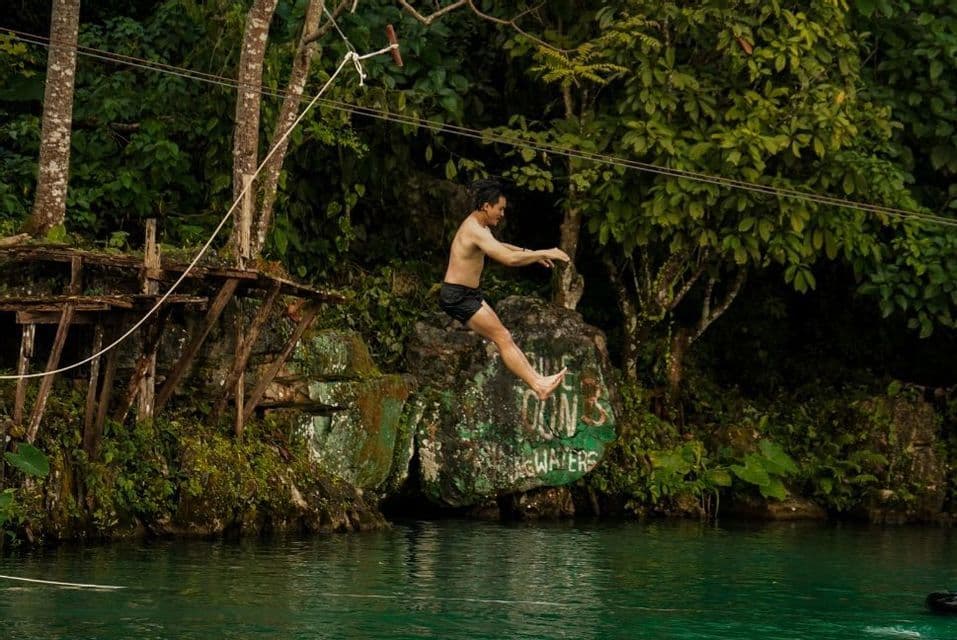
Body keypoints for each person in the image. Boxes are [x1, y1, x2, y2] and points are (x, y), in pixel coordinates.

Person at [439, 179, 571, 401]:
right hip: (457, 296)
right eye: (499, 209)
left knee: (504, 336)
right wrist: (545, 252)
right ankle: (538, 385)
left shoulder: (480, 227)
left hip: (469, 294)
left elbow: (500, 247)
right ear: (486, 206)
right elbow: (508, 259)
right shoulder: (474, 229)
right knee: (502, 336)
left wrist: (530, 253)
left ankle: (539, 381)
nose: (502, 214)